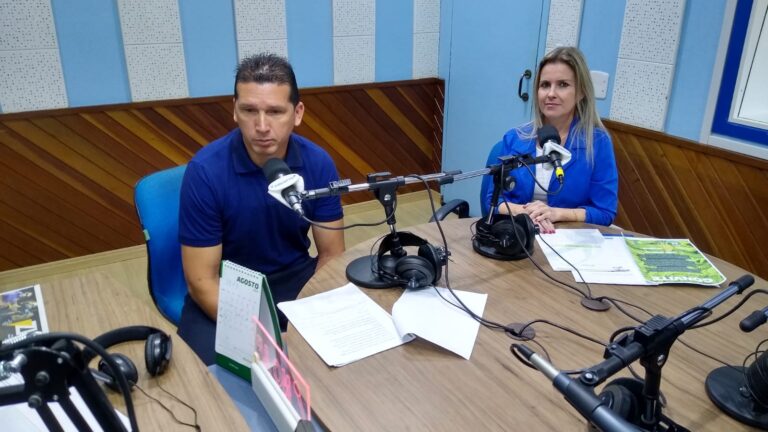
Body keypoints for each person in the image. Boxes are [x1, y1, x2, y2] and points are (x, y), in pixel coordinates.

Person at [177, 53, 345, 365]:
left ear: (297, 113)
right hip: (229, 286)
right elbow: (201, 281)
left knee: (338, 361)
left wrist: (311, 317)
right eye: (249, 111)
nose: (262, 126)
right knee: (212, 381)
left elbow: (331, 255)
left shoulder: (318, 162)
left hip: (297, 279)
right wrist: (262, 338)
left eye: (275, 112)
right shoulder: (205, 172)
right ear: (234, 111)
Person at [480, 46, 618, 232]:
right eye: (545, 85)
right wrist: (528, 213)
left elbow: (604, 212)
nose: (551, 93)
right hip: (519, 232)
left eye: (563, 84)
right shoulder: (514, 138)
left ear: (581, 92)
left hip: (570, 238)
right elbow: (492, 201)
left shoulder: (598, 143)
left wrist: (556, 213)